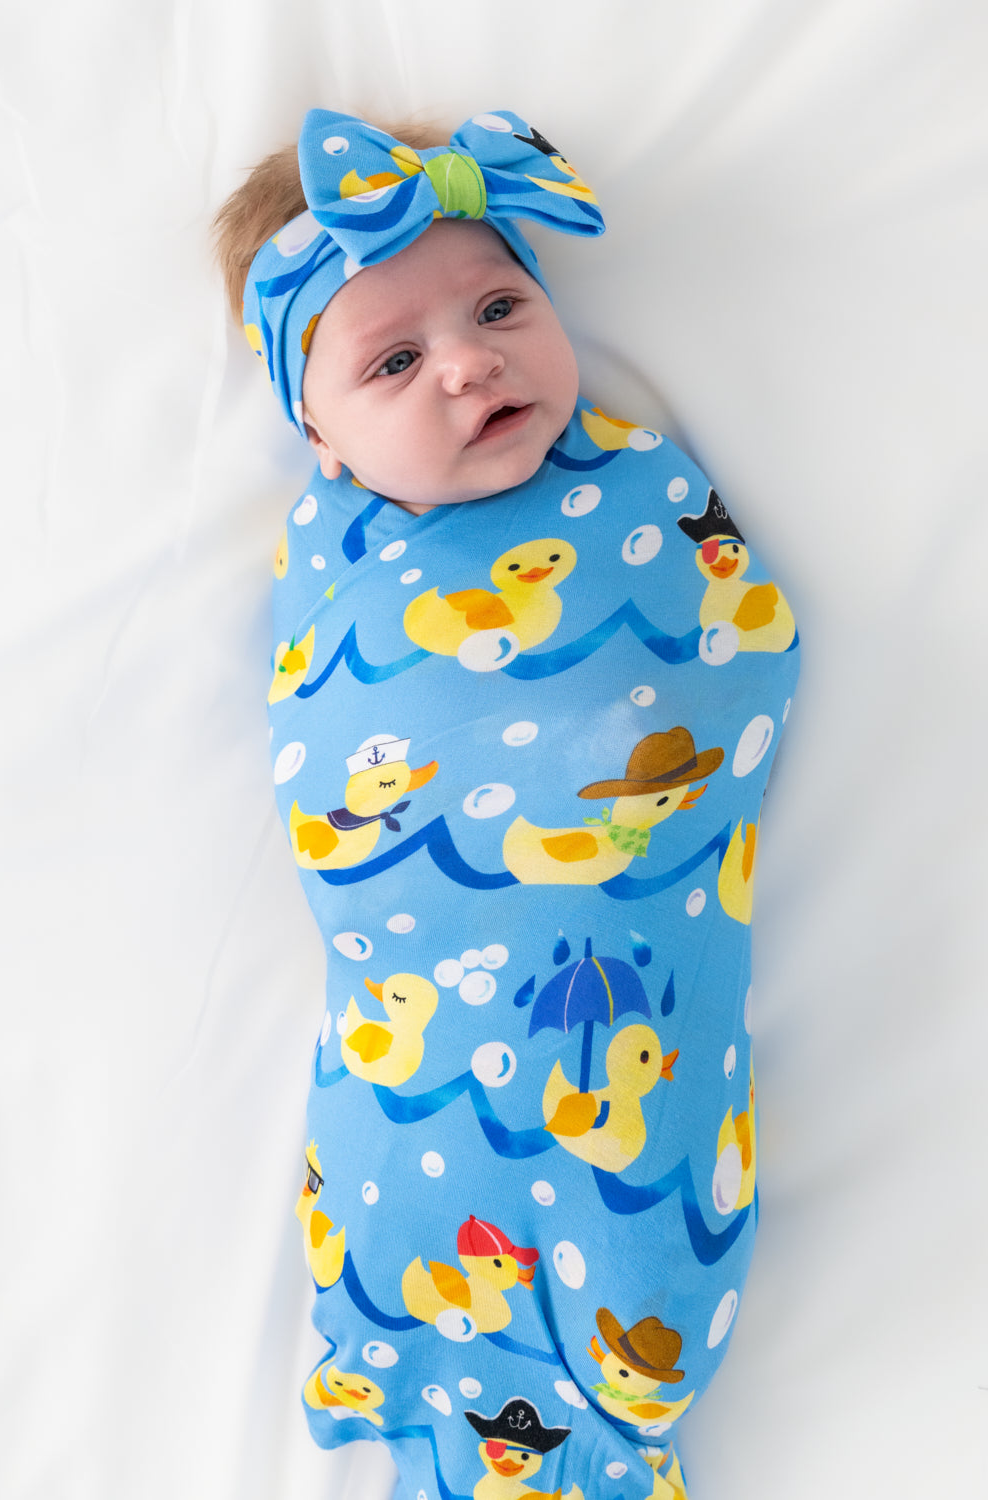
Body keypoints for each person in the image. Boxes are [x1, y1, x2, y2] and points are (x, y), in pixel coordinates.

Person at [213, 107, 800, 1500]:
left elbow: (738, 645)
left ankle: (595, 1427)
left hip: (628, 992)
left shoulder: (638, 487)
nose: (470, 362)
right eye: (395, 361)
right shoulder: (334, 561)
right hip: (412, 1041)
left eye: (498, 307)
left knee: (643, 1246)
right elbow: (331, 747)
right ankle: (409, 1369)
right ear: (321, 436)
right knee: (394, 1196)